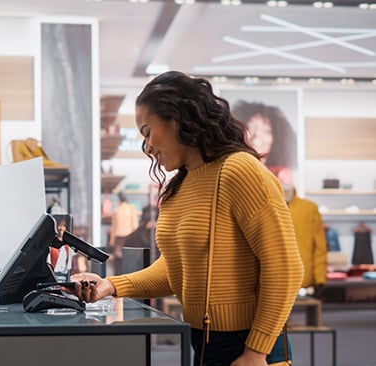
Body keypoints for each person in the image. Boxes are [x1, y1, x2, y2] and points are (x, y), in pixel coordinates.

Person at [67, 71, 304, 366]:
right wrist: (110, 285)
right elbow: (176, 270)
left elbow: (285, 268)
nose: (147, 146)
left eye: (147, 131)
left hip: (251, 346)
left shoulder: (240, 170)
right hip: (204, 341)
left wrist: (256, 351)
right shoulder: (180, 185)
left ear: (176, 119)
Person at [232, 100, 298, 186]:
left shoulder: (282, 176)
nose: (257, 137)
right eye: (251, 127)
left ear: (275, 139)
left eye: (266, 131)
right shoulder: (231, 169)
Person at [283, 184, 327, 292]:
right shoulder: (267, 208)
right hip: (273, 279)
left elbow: (320, 247)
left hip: (304, 280)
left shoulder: (309, 208)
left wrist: (320, 279)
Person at [108, 191, 139, 275]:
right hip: (129, 237)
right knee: (130, 263)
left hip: (119, 238)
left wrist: (111, 243)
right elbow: (135, 226)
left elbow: (113, 228)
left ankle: (117, 282)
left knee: (118, 265)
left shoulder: (117, 210)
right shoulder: (131, 208)